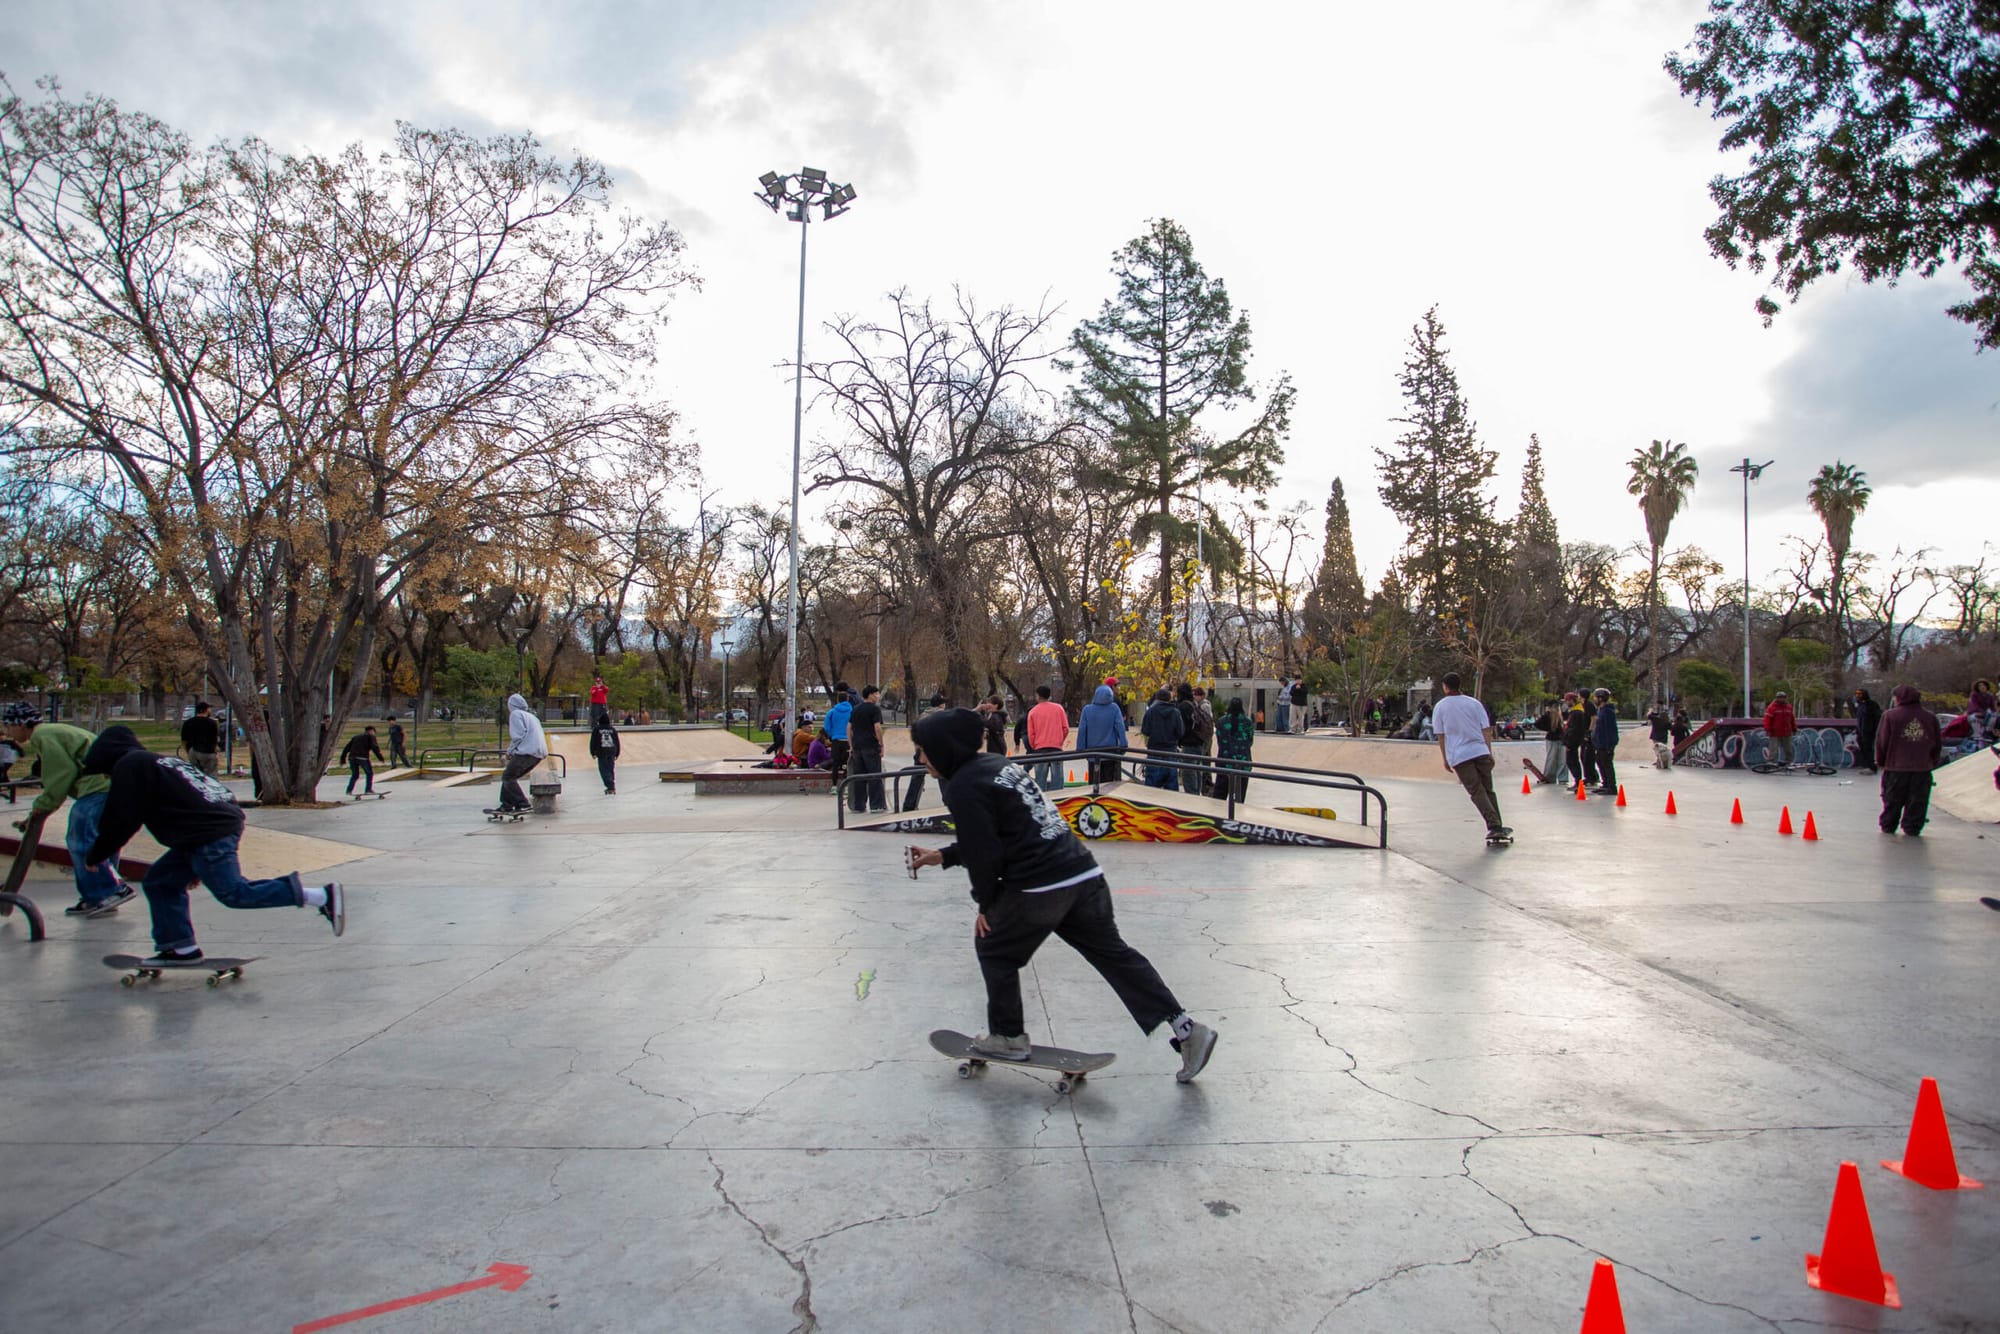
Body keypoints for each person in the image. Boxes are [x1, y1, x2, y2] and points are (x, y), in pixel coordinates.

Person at [903, 708, 1217, 1081]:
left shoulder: (962, 785)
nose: (920, 759)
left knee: (993, 945)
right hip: (1083, 875)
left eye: (923, 751)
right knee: (1116, 956)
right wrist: (944, 856)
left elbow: (986, 850)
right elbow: (1008, 830)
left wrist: (986, 905)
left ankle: (1006, 1036)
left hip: (1040, 886)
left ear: (942, 748)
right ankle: (1187, 1030)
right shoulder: (996, 766)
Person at [80, 725, 344, 966]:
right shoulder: (161, 761)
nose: (106, 776)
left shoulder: (129, 766)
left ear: (108, 759)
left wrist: (96, 856)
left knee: (234, 892)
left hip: (208, 833)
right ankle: (181, 948)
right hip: (207, 829)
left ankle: (320, 895)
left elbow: (121, 820)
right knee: (160, 882)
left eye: (104, 771)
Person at [1, 702, 134, 918]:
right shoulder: (55, 731)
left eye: (8, 726)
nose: (7, 732)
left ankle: (110, 890)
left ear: (22, 724)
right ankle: (100, 895)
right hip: (113, 784)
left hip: (97, 787)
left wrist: (42, 806)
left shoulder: (43, 735)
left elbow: (61, 774)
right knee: (103, 841)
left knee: (80, 840)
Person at [1431, 673, 1510, 842]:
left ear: (1445, 686)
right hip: (1480, 750)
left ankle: (1494, 825)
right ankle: (1498, 824)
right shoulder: (1474, 703)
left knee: (1476, 790)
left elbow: (1441, 735)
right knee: (1488, 789)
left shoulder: (1440, 706)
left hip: (1460, 755)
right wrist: (1489, 752)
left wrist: (1445, 758)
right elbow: (1486, 730)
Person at [1876, 685, 1942, 835]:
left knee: (1892, 798)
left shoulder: (1890, 716)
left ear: (1898, 698)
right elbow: (1937, 743)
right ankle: (1913, 827)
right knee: (1918, 800)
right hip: (1922, 767)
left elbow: (1882, 741)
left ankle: (1888, 824)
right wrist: (1932, 761)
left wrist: (1881, 761)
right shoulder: (1930, 717)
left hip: (1896, 767)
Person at [497, 692, 546, 814]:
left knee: (507, 777)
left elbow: (518, 736)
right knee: (510, 777)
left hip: (527, 751)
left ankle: (522, 803)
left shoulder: (515, 714)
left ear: (511, 705)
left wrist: (510, 751)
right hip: (538, 753)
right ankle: (506, 804)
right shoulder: (531, 716)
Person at [1075, 684, 1128, 785]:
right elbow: (1120, 727)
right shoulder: (1114, 708)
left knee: (1094, 782)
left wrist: (1080, 748)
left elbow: (1082, 730)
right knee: (1108, 783)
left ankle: (1094, 798)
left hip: (1092, 753)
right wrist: (1123, 745)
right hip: (1110, 752)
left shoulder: (1087, 710)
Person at [903, 694, 947, 811]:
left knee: (917, 777)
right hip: (936, 751)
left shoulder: (922, 715)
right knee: (943, 776)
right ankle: (948, 802)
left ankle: (909, 805)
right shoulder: (941, 715)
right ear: (941, 704)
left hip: (920, 751)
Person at [848, 685, 887, 813]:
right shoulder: (874, 709)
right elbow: (877, 727)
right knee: (874, 776)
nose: (878, 696)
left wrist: (851, 746)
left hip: (857, 746)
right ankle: (876, 805)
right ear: (870, 695)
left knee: (859, 777)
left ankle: (859, 805)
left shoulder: (856, 709)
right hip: (870, 746)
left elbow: (849, 728)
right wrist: (881, 744)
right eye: (876, 694)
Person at [1025, 685, 1070, 789]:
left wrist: (1034, 745)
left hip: (1040, 748)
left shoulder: (1033, 712)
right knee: (1058, 779)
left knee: (1040, 779)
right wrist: (1059, 740)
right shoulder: (1059, 708)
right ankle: (1058, 800)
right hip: (1056, 748)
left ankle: (1042, 802)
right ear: (1049, 695)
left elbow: (1031, 734)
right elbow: (1065, 728)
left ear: (1037, 696)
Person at [1139, 689, 1184, 789]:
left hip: (1154, 751)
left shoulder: (1151, 711)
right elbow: (1180, 732)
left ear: (1157, 698)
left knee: (1151, 788)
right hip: (1170, 752)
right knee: (1171, 787)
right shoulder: (1176, 712)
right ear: (1169, 699)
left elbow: (1145, 730)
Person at [1215, 697, 1255, 802]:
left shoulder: (1221, 722)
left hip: (1224, 761)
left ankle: (1217, 815)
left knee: (1220, 796)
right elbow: (1250, 741)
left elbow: (1219, 740)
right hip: (1243, 763)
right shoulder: (1247, 722)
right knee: (1239, 797)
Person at [1175, 683, 1212, 796]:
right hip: (1199, 741)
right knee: (1196, 769)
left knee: (1188, 771)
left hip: (1189, 743)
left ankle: (1192, 797)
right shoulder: (1194, 704)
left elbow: (1182, 726)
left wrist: (1179, 738)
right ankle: (1196, 794)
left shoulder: (1183, 706)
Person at [180, 700, 222, 778]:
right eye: (209, 708)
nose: (210, 710)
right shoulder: (211, 723)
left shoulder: (188, 722)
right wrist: (215, 749)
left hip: (193, 752)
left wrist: (188, 751)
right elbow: (214, 738)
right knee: (211, 775)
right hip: (207, 751)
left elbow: (184, 740)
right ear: (206, 710)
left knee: (196, 775)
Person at [1590, 688, 1620, 796]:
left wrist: (1608, 746)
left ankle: (1612, 786)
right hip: (1600, 743)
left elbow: (1609, 730)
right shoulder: (1601, 710)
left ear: (1601, 698)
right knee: (1600, 762)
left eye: (1595, 697)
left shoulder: (1607, 711)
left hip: (1606, 744)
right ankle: (1605, 784)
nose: (1594, 699)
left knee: (1607, 764)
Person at [341, 726, 384, 796]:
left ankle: (349, 790)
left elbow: (346, 748)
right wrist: (380, 758)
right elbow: (375, 748)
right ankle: (368, 790)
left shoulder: (356, 737)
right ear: (371, 731)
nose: (374, 734)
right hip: (362, 758)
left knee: (355, 775)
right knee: (369, 773)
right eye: (374, 732)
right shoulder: (371, 737)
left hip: (352, 758)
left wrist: (343, 759)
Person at [1561, 692, 1591, 788]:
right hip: (1573, 740)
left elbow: (1574, 730)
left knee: (1572, 761)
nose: (1566, 703)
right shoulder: (1575, 711)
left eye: (1567, 701)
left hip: (1573, 741)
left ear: (1571, 701)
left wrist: (1568, 742)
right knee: (1571, 761)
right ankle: (1577, 781)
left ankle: (1578, 781)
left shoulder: (1577, 713)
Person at [589, 706, 621, 794]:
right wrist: (617, 753)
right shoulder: (612, 729)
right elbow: (617, 742)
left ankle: (610, 785)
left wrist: (592, 752)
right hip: (612, 751)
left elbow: (593, 742)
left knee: (603, 769)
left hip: (601, 752)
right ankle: (611, 784)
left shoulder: (597, 729)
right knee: (610, 768)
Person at [1537, 697, 1568, 786]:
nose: (1556, 708)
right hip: (1551, 739)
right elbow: (1537, 723)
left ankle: (1563, 778)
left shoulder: (1561, 715)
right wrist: (1548, 729)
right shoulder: (1548, 715)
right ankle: (1550, 777)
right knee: (1552, 758)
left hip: (1561, 739)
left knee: (1563, 759)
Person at [824, 688, 854, 781]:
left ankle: (834, 785)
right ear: (848, 699)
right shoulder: (852, 712)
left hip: (836, 740)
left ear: (838, 700)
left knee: (835, 763)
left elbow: (827, 727)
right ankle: (846, 785)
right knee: (847, 763)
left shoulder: (832, 712)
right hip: (848, 741)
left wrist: (832, 734)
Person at [1851, 688, 1883, 773]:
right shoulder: (1860, 705)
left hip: (1868, 732)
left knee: (1868, 749)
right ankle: (1867, 766)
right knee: (1863, 749)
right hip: (1860, 732)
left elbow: (1877, 717)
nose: (1857, 696)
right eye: (1856, 694)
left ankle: (1871, 767)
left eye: (1860, 694)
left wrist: (1873, 728)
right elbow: (1859, 719)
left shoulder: (1872, 704)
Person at [1763, 691, 1798, 766]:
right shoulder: (1772, 707)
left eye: (1783, 697)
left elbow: (1792, 719)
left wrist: (1794, 728)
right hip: (1775, 732)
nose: (1781, 699)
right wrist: (1768, 729)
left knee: (1788, 748)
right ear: (1777, 698)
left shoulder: (1789, 707)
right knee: (1773, 748)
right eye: (1780, 697)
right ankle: (1771, 761)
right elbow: (1767, 719)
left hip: (1786, 731)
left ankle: (1789, 761)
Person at [1647, 702, 1674, 769]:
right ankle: (1660, 761)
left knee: (1657, 750)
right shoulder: (1667, 722)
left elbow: (1649, 716)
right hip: (1663, 738)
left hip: (1655, 737)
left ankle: (1658, 761)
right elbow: (1671, 729)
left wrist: (1650, 711)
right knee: (1663, 750)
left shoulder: (1656, 720)